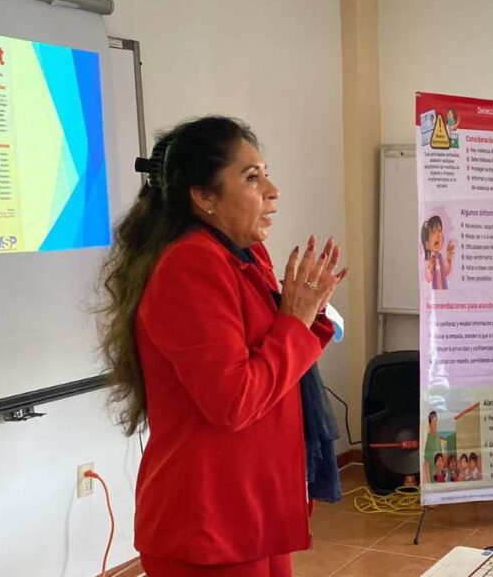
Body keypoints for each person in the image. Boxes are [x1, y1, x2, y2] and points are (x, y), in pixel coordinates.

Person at [98, 117, 347, 577]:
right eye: (252, 177)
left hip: (253, 506)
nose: (272, 190)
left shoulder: (245, 253)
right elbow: (233, 401)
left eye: (265, 172)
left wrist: (309, 316)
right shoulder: (189, 264)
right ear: (204, 196)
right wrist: (295, 320)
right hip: (210, 521)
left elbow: (271, 359)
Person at [421, 215, 454, 290]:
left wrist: (448, 257)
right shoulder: (428, 259)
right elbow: (427, 278)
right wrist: (430, 270)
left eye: (439, 231)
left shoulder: (440, 257)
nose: (438, 235)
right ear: (427, 244)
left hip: (443, 289)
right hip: (435, 293)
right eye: (434, 232)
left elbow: (444, 272)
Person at [424, 411, 441, 478]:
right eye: (433, 421)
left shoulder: (438, 436)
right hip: (430, 474)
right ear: (430, 423)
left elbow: (440, 453)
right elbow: (426, 459)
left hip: (439, 473)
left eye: (436, 421)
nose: (435, 424)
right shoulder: (427, 438)